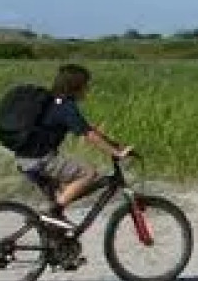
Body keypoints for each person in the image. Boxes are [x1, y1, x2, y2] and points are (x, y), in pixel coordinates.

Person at [13, 63, 133, 232]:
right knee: (88, 173)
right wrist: (116, 153)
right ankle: (53, 213)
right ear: (76, 86)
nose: (88, 89)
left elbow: (87, 129)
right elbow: (89, 136)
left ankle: (56, 245)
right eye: (86, 85)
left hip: (26, 158)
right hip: (39, 160)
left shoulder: (54, 102)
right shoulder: (65, 107)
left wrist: (116, 145)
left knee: (65, 192)